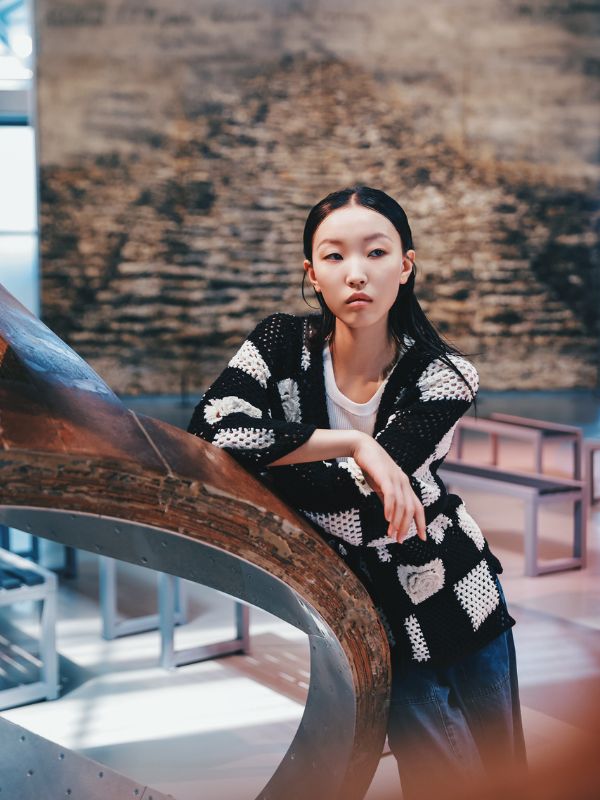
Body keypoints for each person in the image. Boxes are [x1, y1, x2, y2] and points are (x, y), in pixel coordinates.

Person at [187, 185, 527, 798]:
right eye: (334, 256)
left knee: (506, 775)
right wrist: (354, 444)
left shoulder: (445, 375)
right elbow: (211, 429)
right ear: (311, 273)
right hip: (373, 616)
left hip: (455, 588)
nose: (356, 273)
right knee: (437, 780)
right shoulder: (279, 344)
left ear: (406, 265)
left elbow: (357, 500)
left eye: (375, 252)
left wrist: (279, 459)